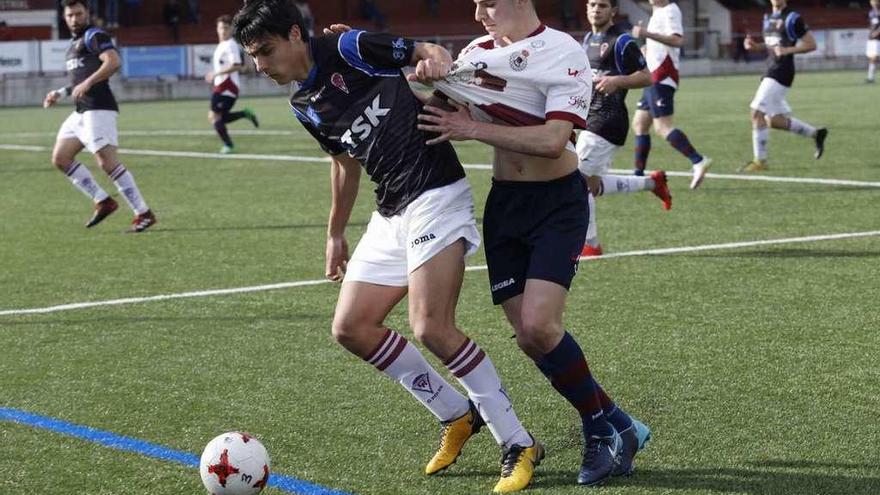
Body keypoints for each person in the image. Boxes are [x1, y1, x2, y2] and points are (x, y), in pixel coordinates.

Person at [231, 1, 540, 492]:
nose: (260, 66)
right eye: (252, 57)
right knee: (351, 327)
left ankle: (518, 440)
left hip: (435, 193)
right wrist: (335, 233)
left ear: (294, 34)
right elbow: (342, 164)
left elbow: (427, 49)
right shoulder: (302, 103)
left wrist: (433, 61)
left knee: (430, 326)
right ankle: (457, 415)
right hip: (391, 209)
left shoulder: (347, 46)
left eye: (265, 52)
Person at [422, 0, 650, 486]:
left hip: (556, 203)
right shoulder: (478, 51)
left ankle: (598, 430)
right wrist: (363, 59)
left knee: (541, 326)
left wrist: (468, 127)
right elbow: (435, 108)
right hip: (505, 204)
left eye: (489, 2)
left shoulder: (562, 50)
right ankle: (622, 425)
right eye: (476, 4)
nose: (480, 12)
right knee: (528, 338)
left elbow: (552, 140)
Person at [43, 0, 155, 233]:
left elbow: (113, 61)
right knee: (61, 158)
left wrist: (88, 82)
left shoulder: (94, 35)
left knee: (107, 162)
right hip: (80, 111)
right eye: (70, 15)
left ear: (87, 14)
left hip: (99, 107)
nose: (74, 18)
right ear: (64, 17)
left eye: (78, 13)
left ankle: (143, 213)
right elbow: (78, 80)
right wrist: (60, 93)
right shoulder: (73, 45)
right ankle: (103, 201)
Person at [577, 0, 670, 257]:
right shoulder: (587, 39)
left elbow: (647, 76)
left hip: (609, 120)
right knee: (590, 184)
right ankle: (652, 183)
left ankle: (591, 245)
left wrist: (617, 80)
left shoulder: (621, 40)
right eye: (592, 4)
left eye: (603, 5)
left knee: (576, 182)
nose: (597, 9)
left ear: (613, 11)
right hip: (589, 119)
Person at [630, 0, 711, 189]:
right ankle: (638, 175)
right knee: (640, 123)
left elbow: (677, 39)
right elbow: (661, 44)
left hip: (662, 75)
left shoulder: (670, 10)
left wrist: (645, 34)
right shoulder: (657, 12)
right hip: (653, 74)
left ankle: (698, 160)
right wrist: (646, 49)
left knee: (662, 127)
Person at [739, 0, 827, 172]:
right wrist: (756, 46)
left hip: (782, 71)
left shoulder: (792, 18)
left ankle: (760, 162)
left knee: (756, 112)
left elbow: (811, 44)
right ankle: (816, 133)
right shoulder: (768, 18)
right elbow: (773, 44)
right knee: (773, 121)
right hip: (770, 68)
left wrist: (787, 51)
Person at [207, 14, 259, 154]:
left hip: (228, 87)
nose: (223, 30)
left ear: (230, 29)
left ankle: (229, 145)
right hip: (222, 86)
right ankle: (244, 114)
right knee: (219, 118)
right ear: (217, 29)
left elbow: (236, 65)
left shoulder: (230, 45)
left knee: (215, 117)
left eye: (226, 27)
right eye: (220, 28)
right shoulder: (221, 46)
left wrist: (215, 74)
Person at [866, 0, 880, 83]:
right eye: (872, 2)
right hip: (871, 38)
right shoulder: (871, 13)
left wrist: (877, 32)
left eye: (875, 1)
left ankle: (871, 78)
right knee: (871, 57)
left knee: (874, 58)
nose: (873, 3)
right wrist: (870, 30)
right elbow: (871, 23)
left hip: (877, 38)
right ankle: (870, 77)